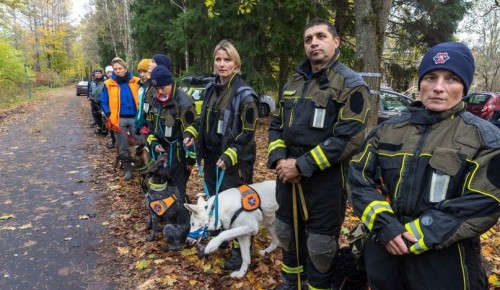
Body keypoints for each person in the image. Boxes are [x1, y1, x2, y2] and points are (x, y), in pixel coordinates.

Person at [349, 42, 500, 290]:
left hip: (445, 262)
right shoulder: (387, 130)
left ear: (464, 86)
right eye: (431, 77)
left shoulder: (486, 139)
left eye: (451, 79)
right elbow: (358, 179)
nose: (439, 88)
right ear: (420, 83)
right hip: (385, 255)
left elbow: (484, 202)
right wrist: (385, 225)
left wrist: (420, 232)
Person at [267, 18, 371, 290]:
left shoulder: (351, 84)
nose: (313, 42)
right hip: (286, 175)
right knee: (287, 233)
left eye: (320, 36)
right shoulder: (294, 81)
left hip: (327, 180)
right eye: (308, 39)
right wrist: (279, 161)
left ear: (336, 42)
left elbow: (349, 138)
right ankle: (291, 282)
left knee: (320, 246)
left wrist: (301, 165)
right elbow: (276, 125)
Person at [183, 39, 259, 270]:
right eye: (218, 59)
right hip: (210, 157)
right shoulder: (209, 89)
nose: (222, 64)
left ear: (236, 64)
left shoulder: (245, 95)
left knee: (238, 208)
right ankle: (224, 238)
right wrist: (192, 132)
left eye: (227, 60)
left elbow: (248, 133)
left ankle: (240, 252)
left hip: (235, 161)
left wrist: (230, 156)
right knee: (218, 204)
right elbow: (201, 119)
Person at [145, 64, 196, 199]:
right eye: (157, 88)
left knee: (177, 190)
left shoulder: (184, 103)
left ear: (171, 83)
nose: (160, 91)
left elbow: (192, 132)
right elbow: (150, 129)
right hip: (160, 154)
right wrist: (154, 144)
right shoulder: (154, 101)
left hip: (178, 155)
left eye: (163, 87)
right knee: (161, 189)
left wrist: (191, 160)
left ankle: (181, 218)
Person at [100, 57, 141, 181]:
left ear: (125, 69)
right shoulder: (108, 84)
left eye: (120, 68)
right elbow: (103, 101)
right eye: (115, 69)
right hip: (119, 120)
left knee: (140, 144)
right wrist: (108, 115)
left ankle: (141, 167)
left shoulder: (136, 81)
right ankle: (128, 169)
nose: (117, 71)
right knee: (122, 146)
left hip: (136, 119)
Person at [89, 68, 107, 135]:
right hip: (94, 101)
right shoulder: (93, 82)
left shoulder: (105, 81)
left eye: (99, 73)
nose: (97, 74)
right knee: (96, 115)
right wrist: (90, 96)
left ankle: (105, 129)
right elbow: (90, 90)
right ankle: (99, 128)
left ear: (101, 73)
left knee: (103, 116)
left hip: (102, 101)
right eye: (96, 73)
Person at [104, 65, 117, 149]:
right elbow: (104, 98)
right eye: (108, 72)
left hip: (117, 109)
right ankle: (114, 142)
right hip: (109, 109)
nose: (110, 74)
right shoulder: (106, 83)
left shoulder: (117, 82)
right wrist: (106, 110)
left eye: (111, 72)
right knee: (111, 127)